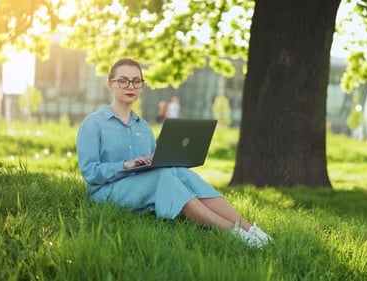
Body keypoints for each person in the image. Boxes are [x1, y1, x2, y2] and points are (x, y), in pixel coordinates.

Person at [76, 58, 271, 248]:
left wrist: (162, 160)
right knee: (163, 177)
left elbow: (153, 164)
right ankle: (234, 233)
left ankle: (252, 230)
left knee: (178, 171)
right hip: (106, 192)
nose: (131, 86)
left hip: (142, 187)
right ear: (110, 85)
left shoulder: (143, 127)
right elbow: (90, 173)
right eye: (123, 80)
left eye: (137, 81)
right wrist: (125, 165)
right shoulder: (93, 124)